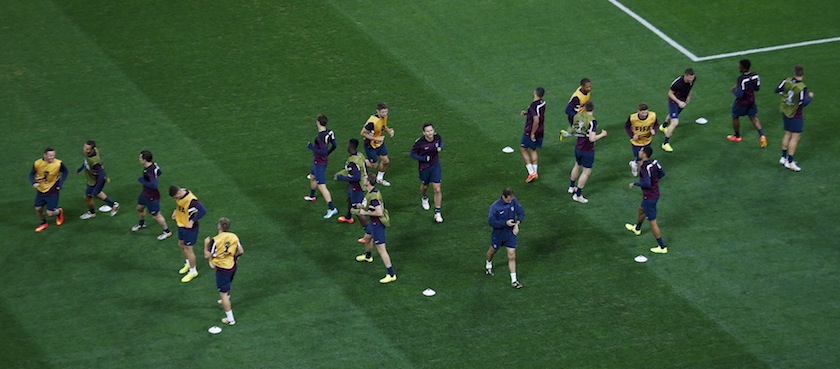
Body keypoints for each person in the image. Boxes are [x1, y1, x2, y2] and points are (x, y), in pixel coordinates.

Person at [354, 174, 397, 284]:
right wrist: (359, 206)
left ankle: (391, 274)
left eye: (365, 178)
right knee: (367, 238)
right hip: (373, 223)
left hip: (377, 224)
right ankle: (368, 257)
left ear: (368, 182)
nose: (363, 179)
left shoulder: (373, 197)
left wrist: (365, 212)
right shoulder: (372, 192)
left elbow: (379, 212)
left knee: (381, 250)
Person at [625, 146, 668, 254]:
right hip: (654, 193)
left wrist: (635, 183)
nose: (639, 152)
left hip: (650, 197)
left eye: (641, 151)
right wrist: (655, 182)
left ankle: (662, 247)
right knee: (641, 209)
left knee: (652, 222)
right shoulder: (654, 162)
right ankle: (637, 228)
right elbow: (662, 173)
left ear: (644, 154)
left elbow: (647, 184)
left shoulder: (644, 167)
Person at [204, 217, 244, 326]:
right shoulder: (234, 236)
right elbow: (241, 251)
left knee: (223, 294)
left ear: (219, 227)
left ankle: (230, 319)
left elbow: (207, 255)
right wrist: (235, 257)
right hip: (232, 265)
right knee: (228, 284)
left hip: (222, 269)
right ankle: (226, 298)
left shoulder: (215, 240)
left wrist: (206, 244)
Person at [776, 64, 814, 172]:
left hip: (785, 111)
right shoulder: (802, 87)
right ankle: (790, 162)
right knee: (795, 137)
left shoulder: (786, 81)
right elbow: (803, 103)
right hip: (795, 114)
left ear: (794, 72)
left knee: (787, 133)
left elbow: (777, 90)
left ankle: (783, 157)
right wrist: (810, 97)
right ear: (803, 73)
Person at [485, 187, 525, 289]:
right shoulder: (495, 207)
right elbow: (491, 222)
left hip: (510, 234)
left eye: (511, 199)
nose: (510, 201)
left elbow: (521, 212)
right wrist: (504, 223)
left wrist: (517, 224)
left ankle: (514, 280)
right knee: (492, 251)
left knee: (512, 255)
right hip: (498, 234)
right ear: (503, 197)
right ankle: (488, 264)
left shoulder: (513, 201)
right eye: (508, 199)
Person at [568, 101, 607, 204]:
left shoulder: (577, 116)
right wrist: (602, 134)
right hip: (587, 149)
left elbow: (573, 130)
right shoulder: (592, 121)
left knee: (577, 165)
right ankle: (578, 195)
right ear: (593, 108)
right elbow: (592, 139)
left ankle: (571, 187)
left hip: (578, 147)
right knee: (586, 171)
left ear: (584, 108)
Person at [131, 150, 172, 240]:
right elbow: (159, 172)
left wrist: (142, 181)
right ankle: (142, 223)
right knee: (139, 208)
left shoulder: (149, 171)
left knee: (156, 215)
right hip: (145, 193)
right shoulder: (153, 165)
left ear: (145, 159)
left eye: (140, 157)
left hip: (152, 196)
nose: (139, 159)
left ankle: (167, 231)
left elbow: (154, 185)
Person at [170, 185, 207, 283]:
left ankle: (193, 271)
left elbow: (203, 211)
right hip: (181, 224)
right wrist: (176, 211)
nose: (175, 199)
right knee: (181, 244)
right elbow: (179, 204)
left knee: (188, 249)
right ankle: (188, 263)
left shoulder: (192, 201)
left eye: (175, 197)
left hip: (190, 228)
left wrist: (192, 221)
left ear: (178, 193)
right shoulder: (181, 193)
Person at [304, 114, 338, 218]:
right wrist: (328, 153)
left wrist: (311, 147)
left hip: (320, 163)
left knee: (322, 186)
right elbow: (334, 145)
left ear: (318, 122)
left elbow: (322, 152)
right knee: (312, 176)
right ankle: (312, 196)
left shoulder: (320, 137)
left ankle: (332, 208)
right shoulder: (329, 132)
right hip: (319, 162)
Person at [409, 122, 444, 223]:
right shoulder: (420, 143)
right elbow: (412, 154)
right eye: (428, 131)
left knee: (437, 188)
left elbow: (441, 142)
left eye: (431, 130)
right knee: (425, 186)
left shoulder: (437, 137)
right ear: (424, 133)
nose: (430, 133)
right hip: (424, 167)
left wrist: (441, 147)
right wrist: (423, 158)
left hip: (435, 165)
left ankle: (437, 212)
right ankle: (424, 197)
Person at [728, 59, 767, 147]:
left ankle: (737, 136)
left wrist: (733, 90)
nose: (738, 67)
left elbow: (740, 95)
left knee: (735, 116)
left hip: (742, 103)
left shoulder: (741, 79)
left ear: (744, 68)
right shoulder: (755, 75)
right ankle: (762, 136)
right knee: (753, 117)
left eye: (740, 66)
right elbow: (757, 88)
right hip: (751, 100)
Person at [77, 140, 120, 219]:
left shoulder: (95, 163)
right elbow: (87, 161)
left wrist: (96, 189)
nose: (85, 150)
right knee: (97, 194)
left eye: (87, 149)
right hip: (91, 178)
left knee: (87, 197)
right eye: (84, 147)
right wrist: (81, 167)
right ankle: (113, 205)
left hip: (94, 181)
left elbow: (102, 177)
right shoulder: (91, 152)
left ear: (92, 149)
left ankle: (91, 213)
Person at [30, 147, 68, 232]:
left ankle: (59, 212)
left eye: (53, 155)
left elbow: (65, 171)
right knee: (38, 208)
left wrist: (60, 184)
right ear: (45, 155)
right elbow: (31, 174)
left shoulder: (58, 163)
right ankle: (43, 222)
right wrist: (33, 183)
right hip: (41, 189)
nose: (52, 157)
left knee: (50, 213)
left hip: (53, 189)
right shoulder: (37, 163)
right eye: (50, 155)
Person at [660, 69, 695, 152]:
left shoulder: (692, 79)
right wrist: (679, 102)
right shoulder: (678, 83)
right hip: (674, 100)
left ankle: (663, 126)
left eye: (692, 78)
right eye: (690, 78)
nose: (691, 79)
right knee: (675, 122)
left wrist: (688, 97)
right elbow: (670, 94)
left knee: (673, 114)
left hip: (682, 100)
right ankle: (665, 143)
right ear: (685, 76)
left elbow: (690, 87)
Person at [335, 138, 367, 226]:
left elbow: (356, 177)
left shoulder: (353, 161)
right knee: (349, 199)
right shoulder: (359, 155)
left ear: (350, 146)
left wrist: (342, 178)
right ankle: (348, 217)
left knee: (357, 211)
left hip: (358, 187)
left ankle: (369, 232)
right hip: (359, 183)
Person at [360, 103, 394, 186]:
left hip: (379, 143)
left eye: (386, 112)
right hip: (370, 145)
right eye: (382, 112)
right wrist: (376, 139)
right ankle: (359, 163)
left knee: (385, 161)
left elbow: (383, 126)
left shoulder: (384, 117)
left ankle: (379, 178)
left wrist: (388, 130)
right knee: (374, 165)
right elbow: (363, 133)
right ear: (377, 111)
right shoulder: (372, 122)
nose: (385, 114)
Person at [520, 87, 546, 183]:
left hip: (531, 130)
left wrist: (532, 133)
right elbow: (537, 114)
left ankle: (531, 172)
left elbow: (536, 119)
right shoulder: (543, 103)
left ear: (535, 93)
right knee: (533, 149)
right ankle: (535, 172)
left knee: (523, 149)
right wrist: (527, 113)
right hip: (541, 130)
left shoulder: (533, 106)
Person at [625, 103, 659, 177]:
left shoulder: (652, 116)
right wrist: (632, 135)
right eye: (643, 112)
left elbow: (656, 124)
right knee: (640, 160)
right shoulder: (632, 118)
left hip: (647, 140)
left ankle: (635, 165)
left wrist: (654, 130)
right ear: (638, 111)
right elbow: (627, 126)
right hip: (636, 142)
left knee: (645, 158)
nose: (644, 114)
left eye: (646, 112)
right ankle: (643, 174)